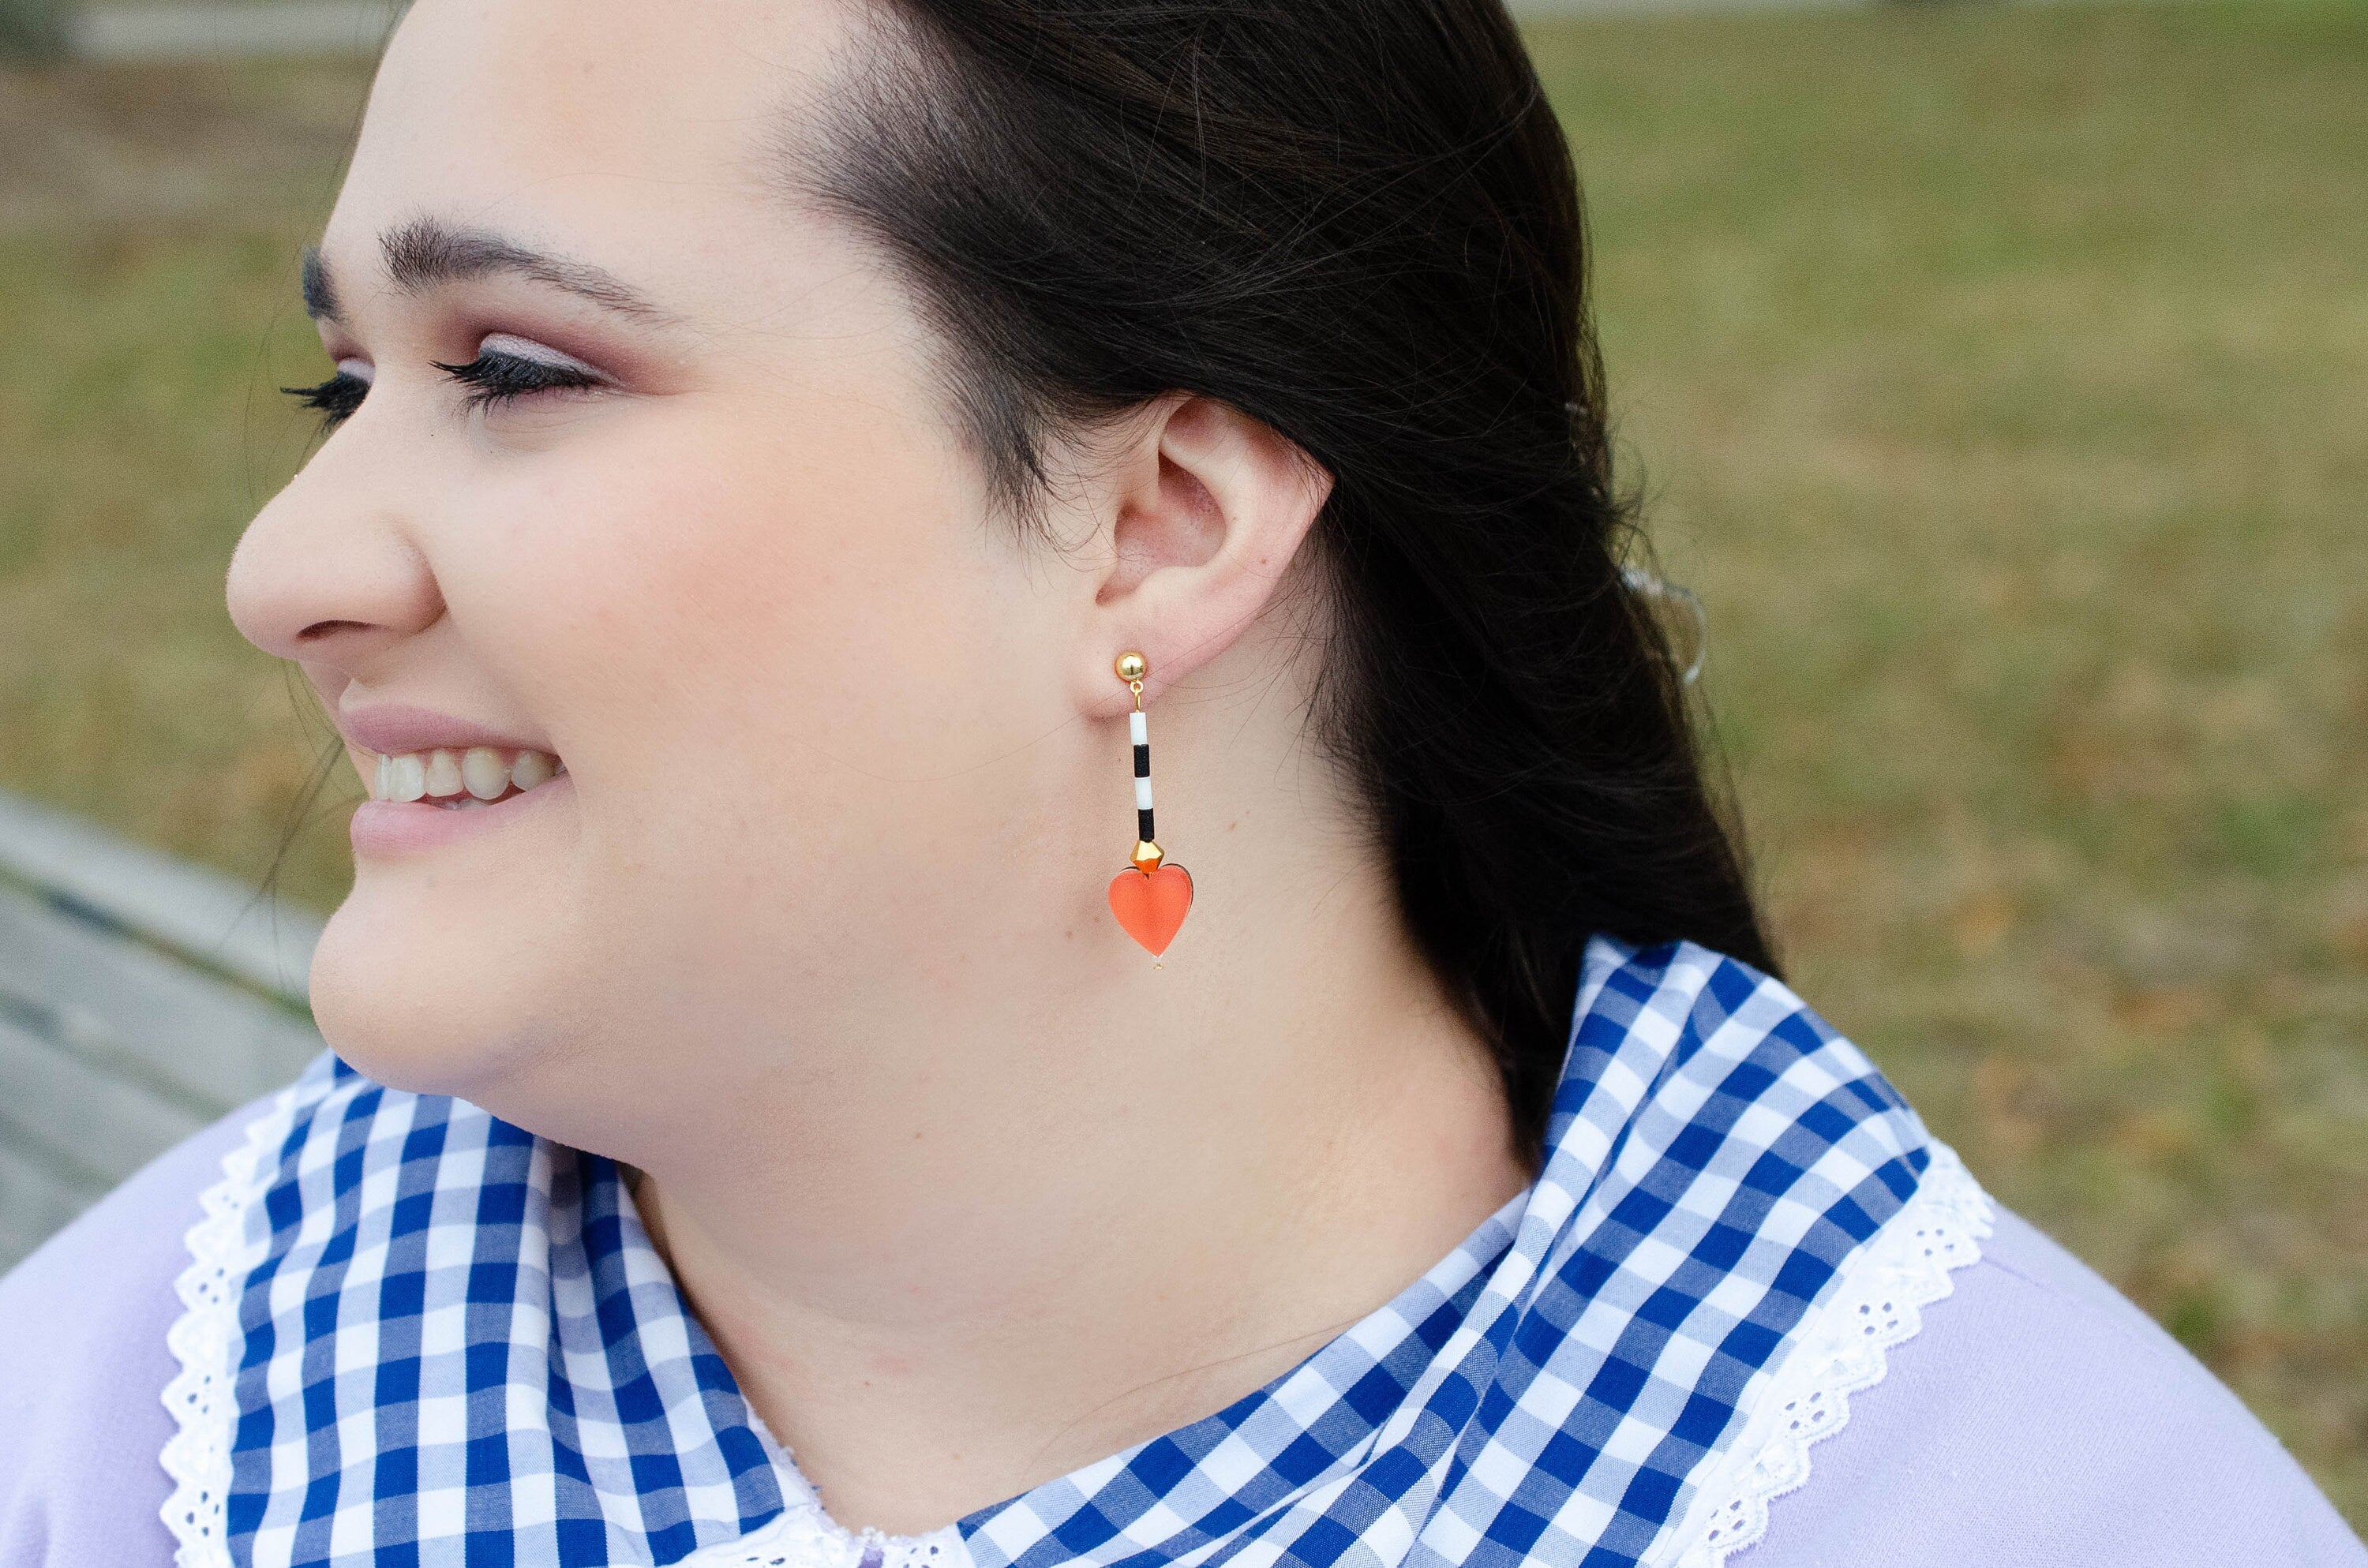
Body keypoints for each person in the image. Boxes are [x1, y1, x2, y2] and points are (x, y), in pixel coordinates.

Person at [2, 1, 2361, 1565]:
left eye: (514, 364)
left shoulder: (1991, 1500)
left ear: (1162, 522)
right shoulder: (133, 1429)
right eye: (346, 388)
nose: (283, 566)